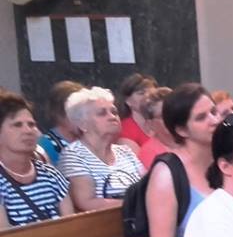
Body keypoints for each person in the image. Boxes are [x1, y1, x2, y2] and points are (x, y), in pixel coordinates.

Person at [144, 83, 218, 237]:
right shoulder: (166, 174)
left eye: (214, 112)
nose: (214, 121)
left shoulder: (227, 159)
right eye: (201, 117)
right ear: (181, 130)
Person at [58, 87, 144, 211]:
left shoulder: (125, 152)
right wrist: (137, 204)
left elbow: (148, 186)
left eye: (114, 112)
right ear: (82, 124)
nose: (112, 117)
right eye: (102, 113)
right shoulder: (73, 155)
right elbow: (86, 203)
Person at [0, 90, 74, 228]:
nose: (28, 131)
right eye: (17, 125)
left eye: (31, 124)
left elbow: (71, 227)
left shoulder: (52, 175)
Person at [37, 80, 84, 165]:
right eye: (76, 111)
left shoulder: (90, 143)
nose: (83, 117)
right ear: (58, 113)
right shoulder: (44, 146)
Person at [115, 73, 158, 155]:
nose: (148, 97)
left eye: (152, 94)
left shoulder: (162, 124)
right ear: (128, 101)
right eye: (141, 93)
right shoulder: (125, 131)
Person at [137, 86, 174, 169]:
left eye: (173, 112)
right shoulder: (149, 153)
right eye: (163, 115)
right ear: (150, 124)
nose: (171, 117)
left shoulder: (191, 141)